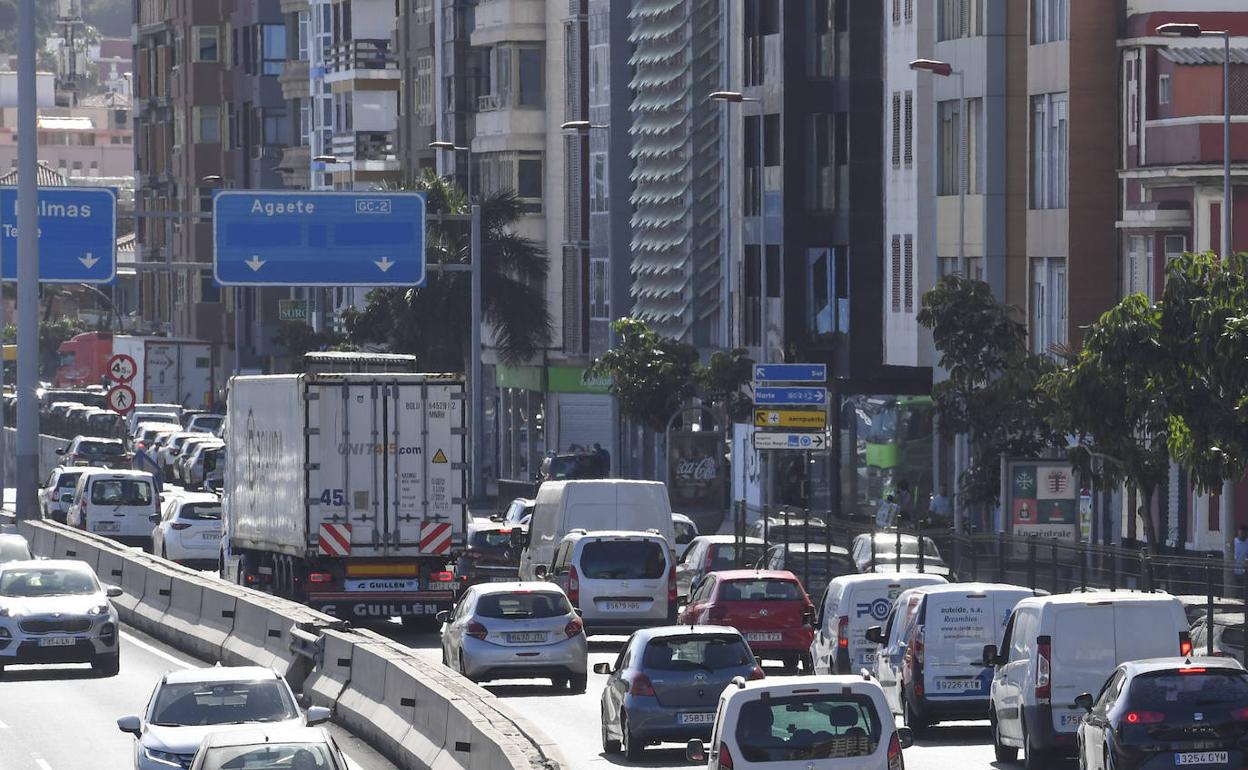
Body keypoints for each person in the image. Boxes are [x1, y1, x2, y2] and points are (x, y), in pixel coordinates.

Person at [1235, 525, 1248, 598]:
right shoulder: (1234, 542)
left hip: (1244, 570)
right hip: (1234, 569)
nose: (1243, 535)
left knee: (1244, 588)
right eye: (1241, 533)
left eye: (1244, 533)